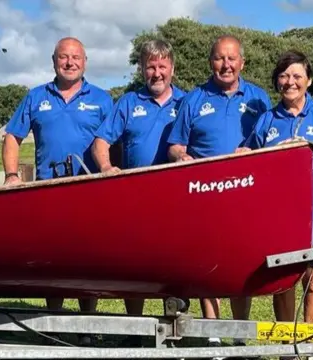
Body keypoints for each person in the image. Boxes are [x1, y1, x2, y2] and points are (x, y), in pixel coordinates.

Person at [166, 34, 272, 349]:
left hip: (245, 198)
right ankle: (211, 333)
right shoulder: (194, 99)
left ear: (242, 62)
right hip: (204, 197)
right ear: (211, 61)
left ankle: (239, 334)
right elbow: (175, 144)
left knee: (241, 264)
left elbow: (269, 143)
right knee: (208, 265)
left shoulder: (258, 99)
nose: (225, 65)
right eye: (219, 58)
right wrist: (180, 156)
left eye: (231, 59)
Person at [242, 50, 313, 340]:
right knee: (283, 283)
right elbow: (250, 162)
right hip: (279, 221)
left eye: (296, 76)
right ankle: (287, 347)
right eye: (283, 76)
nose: (289, 82)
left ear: (309, 80)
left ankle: (311, 345)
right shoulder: (267, 120)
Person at [1, 36, 113, 316]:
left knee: (88, 257)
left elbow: (114, 141)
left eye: (76, 57)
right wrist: (11, 175)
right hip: (48, 190)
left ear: (85, 62)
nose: (70, 62)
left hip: (89, 190)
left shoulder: (102, 99)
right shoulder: (36, 97)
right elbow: (13, 137)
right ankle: (54, 319)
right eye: (64, 57)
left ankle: (87, 321)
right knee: (54, 256)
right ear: (54, 61)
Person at [91, 39, 186, 318]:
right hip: (136, 197)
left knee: (175, 261)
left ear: (172, 68)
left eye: (162, 66)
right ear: (142, 70)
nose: (157, 73)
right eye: (150, 67)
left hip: (175, 196)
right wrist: (107, 168)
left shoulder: (187, 102)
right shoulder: (129, 102)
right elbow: (100, 141)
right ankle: (135, 328)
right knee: (136, 262)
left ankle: (174, 324)